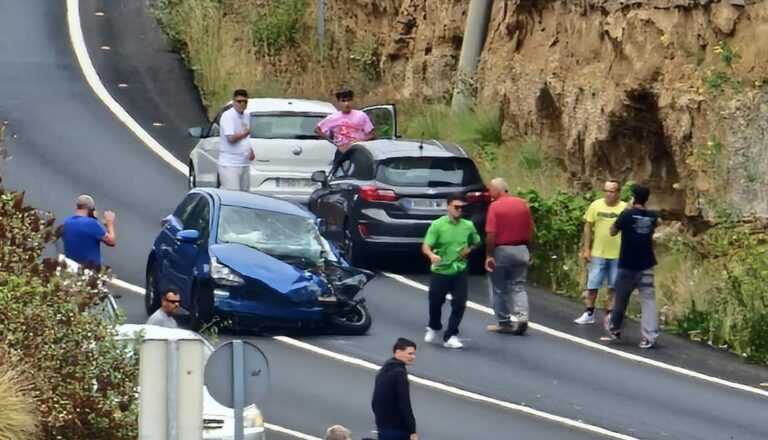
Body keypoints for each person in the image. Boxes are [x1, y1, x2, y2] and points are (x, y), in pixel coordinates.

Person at [421, 193, 481, 349]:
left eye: (462, 208)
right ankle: (434, 326)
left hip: (459, 268)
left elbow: (477, 242)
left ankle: (451, 334)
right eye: (456, 207)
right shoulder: (438, 225)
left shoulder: (468, 225)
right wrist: (431, 255)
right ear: (448, 206)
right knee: (436, 301)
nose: (459, 211)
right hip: (440, 269)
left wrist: (468, 249)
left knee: (459, 302)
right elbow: (426, 245)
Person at [607, 184, 660, 349]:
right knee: (648, 301)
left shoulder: (627, 215)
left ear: (633, 198)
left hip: (627, 264)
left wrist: (627, 212)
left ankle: (615, 327)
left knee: (621, 300)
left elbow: (612, 231)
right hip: (646, 264)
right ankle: (649, 337)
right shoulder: (652, 217)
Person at [484, 178, 535, 333]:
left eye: (491, 189)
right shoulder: (522, 204)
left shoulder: (495, 206)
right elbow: (530, 229)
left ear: (498, 190)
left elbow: (491, 234)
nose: (489, 192)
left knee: (498, 288)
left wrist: (489, 255)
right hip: (521, 250)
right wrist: (529, 250)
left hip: (502, 251)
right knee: (518, 286)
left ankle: (503, 322)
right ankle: (522, 317)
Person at [574, 180, 627, 326]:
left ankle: (609, 314)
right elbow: (588, 226)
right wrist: (586, 248)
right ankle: (589, 312)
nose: (608, 194)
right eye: (606, 191)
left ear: (618, 193)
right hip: (598, 252)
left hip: (617, 253)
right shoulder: (596, 205)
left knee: (613, 286)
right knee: (593, 284)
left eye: (612, 191)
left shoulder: (624, 208)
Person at [314, 87, 375, 167]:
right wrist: (334, 142)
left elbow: (372, 134)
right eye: (343, 101)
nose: (347, 104)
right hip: (342, 151)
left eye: (349, 100)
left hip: (358, 151)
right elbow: (317, 129)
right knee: (337, 172)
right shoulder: (333, 118)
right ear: (338, 102)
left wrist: (358, 141)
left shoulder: (361, 116)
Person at [372, 338, 418, 440]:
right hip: (397, 429)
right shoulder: (400, 373)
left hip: (383, 425)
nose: (413, 357)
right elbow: (404, 403)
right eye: (410, 353)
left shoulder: (384, 370)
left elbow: (375, 401)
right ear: (398, 352)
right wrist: (412, 430)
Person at [62, 194, 116, 267]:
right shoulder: (92, 224)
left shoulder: (67, 221)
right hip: (88, 270)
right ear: (91, 209)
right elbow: (111, 242)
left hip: (70, 266)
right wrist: (109, 224)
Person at [218, 88, 255, 191]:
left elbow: (246, 138)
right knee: (233, 194)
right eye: (239, 101)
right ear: (234, 102)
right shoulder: (228, 116)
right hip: (230, 163)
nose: (242, 104)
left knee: (244, 195)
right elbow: (231, 138)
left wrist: (250, 150)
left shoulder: (246, 116)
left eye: (245, 101)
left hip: (244, 161)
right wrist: (245, 133)